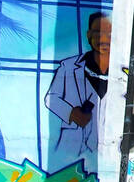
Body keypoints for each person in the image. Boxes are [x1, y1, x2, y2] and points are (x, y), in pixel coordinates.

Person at [45, 12, 112, 169]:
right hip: (71, 148)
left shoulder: (125, 73)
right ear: (88, 35)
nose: (103, 39)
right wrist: (71, 113)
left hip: (107, 152)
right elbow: (51, 98)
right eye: (98, 33)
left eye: (109, 34)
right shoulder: (68, 67)